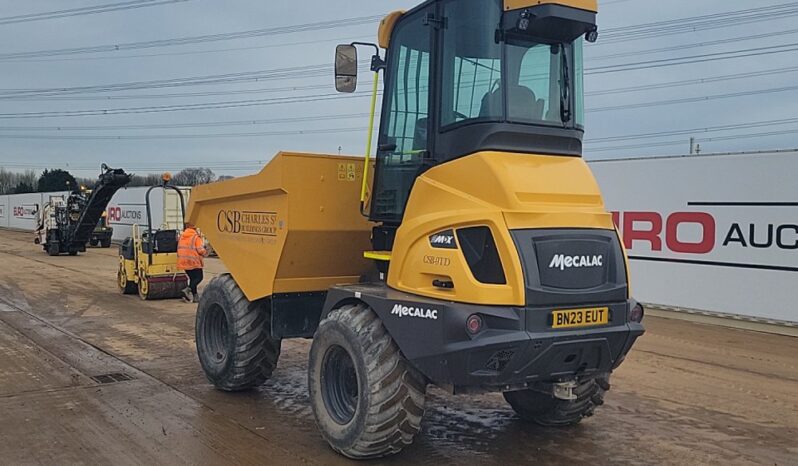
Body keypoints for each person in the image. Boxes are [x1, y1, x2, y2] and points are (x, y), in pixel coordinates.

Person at [177, 222, 208, 303]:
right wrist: (206, 252)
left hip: (183, 261)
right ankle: (188, 289)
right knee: (199, 277)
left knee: (192, 278)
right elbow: (200, 250)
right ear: (194, 228)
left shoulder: (182, 236)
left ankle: (195, 297)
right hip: (193, 261)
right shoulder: (195, 237)